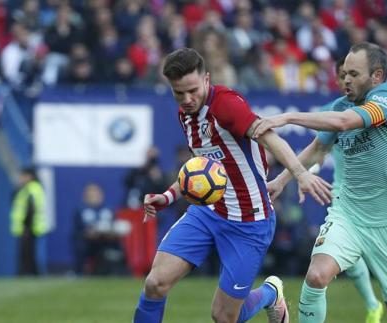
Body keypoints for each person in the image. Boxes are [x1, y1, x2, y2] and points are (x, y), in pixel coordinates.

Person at [133, 48, 332, 323]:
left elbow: (271, 138)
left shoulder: (226, 105)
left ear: (207, 79)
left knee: (224, 316)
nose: (187, 99)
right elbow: (200, 169)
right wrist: (167, 196)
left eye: (192, 90)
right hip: (208, 213)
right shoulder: (186, 114)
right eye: (179, 93)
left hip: (249, 222)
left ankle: (270, 294)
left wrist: (300, 173)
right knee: (155, 283)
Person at [253, 42, 387, 323]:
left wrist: (289, 117)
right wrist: (283, 180)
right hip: (349, 215)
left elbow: (345, 122)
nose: (346, 79)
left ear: (376, 77)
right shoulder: (339, 107)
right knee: (316, 275)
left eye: (354, 74)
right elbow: (318, 149)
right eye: (344, 73)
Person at [10, 167, 49, 276]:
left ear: (29, 176)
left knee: (27, 252)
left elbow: (31, 209)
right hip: (28, 226)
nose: (21, 178)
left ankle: (26, 273)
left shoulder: (32, 189)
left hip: (29, 226)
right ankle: (31, 273)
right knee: (28, 252)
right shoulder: (26, 188)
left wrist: (26, 225)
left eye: (23, 176)